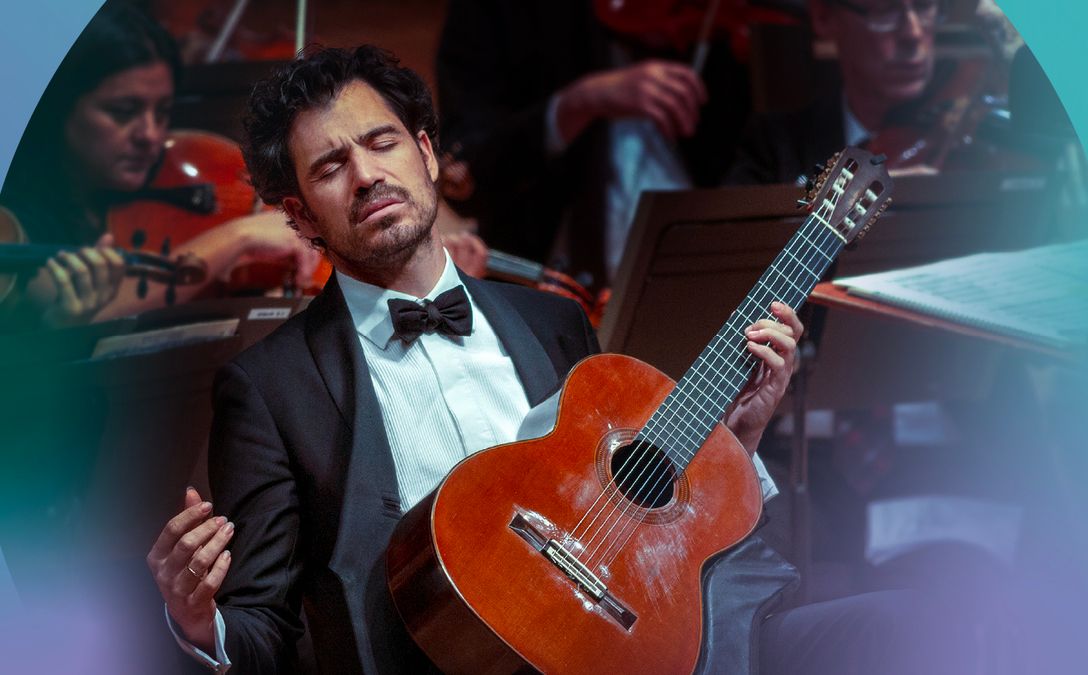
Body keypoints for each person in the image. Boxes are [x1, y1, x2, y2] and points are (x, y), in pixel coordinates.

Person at [142, 44, 984, 675]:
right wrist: (196, 622)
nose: (367, 175)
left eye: (381, 142)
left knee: (924, 621)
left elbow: (650, 519)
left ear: (426, 153)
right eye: (332, 166)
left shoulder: (553, 321)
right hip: (449, 659)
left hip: (649, 639)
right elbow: (261, 626)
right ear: (299, 216)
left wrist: (741, 438)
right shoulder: (271, 387)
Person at [0, 3, 318, 330]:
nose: (151, 135)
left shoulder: (168, 176)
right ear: (59, 107)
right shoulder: (16, 220)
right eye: (123, 111)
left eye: (163, 112)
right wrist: (239, 235)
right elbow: (73, 303)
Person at [437, 0, 756, 290]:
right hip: (547, 290)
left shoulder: (723, 27)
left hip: (713, 280)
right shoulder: (502, 13)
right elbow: (464, 178)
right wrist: (575, 105)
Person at [724, 0, 944, 185]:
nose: (913, 33)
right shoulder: (773, 145)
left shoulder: (954, 136)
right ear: (824, 17)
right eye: (884, 10)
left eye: (924, 6)